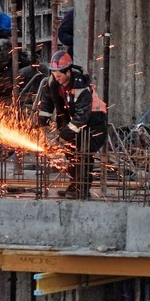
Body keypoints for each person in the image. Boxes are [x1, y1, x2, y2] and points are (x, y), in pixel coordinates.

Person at [37, 50, 107, 197]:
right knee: (70, 154)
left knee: (83, 154)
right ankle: (74, 187)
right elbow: (46, 103)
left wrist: (64, 135)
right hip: (74, 122)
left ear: (68, 72)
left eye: (60, 76)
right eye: (55, 75)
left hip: (94, 124)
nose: (57, 79)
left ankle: (82, 190)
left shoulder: (81, 88)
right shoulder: (53, 82)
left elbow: (81, 118)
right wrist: (41, 123)